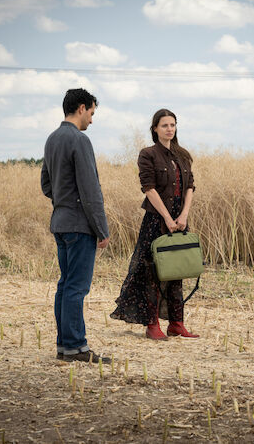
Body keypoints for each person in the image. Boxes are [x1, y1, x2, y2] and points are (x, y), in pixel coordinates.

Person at [111, 108, 199, 340]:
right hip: (156, 221)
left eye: (173, 125)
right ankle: (152, 325)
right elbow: (148, 188)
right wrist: (167, 219)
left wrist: (183, 216)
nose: (169, 129)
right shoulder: (148, 154)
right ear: (155, 129)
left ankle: (176, 323)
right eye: (164, 125)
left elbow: (190, 186)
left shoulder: (183, 155)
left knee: (177, 270)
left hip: (180, 221)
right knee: (152, 272)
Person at [41, 88, 110, 363]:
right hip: (80, 226)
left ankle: (64, 345)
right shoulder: (79, 141)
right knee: (76, 287)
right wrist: (102, 229)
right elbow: (91, 190)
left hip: (59, 222)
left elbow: (46, 184)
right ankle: (75, 347)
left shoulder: (52, 139)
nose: (92, 120)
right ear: (81, 108)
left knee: (65, 284)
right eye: (92, 113)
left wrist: (63, 201)